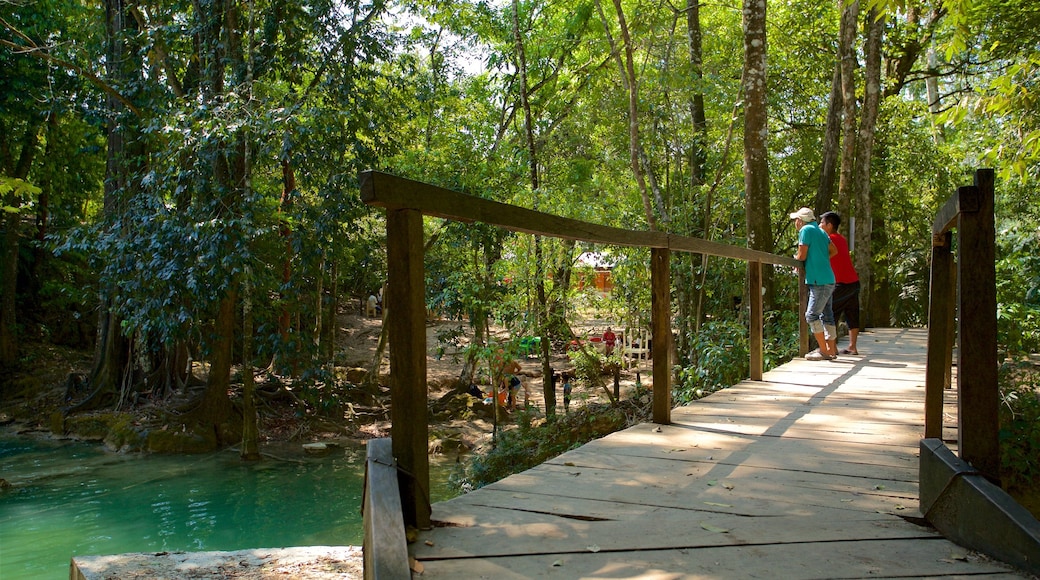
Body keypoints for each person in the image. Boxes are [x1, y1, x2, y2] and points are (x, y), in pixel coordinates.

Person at [790, 207, 838, 360]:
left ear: (800, 220)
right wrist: (820, 259)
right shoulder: (821, 231)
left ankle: (824, 351)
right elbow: (833, 250)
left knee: (811, 315)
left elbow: (802, 255)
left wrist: (797, 259)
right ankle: (831, 349)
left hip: (819, 281)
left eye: (796, 220)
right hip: (828, 278)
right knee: (827, 314)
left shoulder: (805, 231)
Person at [820, 211, 861, 355]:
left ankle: (831, 348)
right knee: (852, 313)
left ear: (829, 226)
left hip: (842, 284)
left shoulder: (828, 239)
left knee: (828, 312)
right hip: (854, 282)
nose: (820, 226)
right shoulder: (842, 239)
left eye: (822, 223)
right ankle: (852, 346)